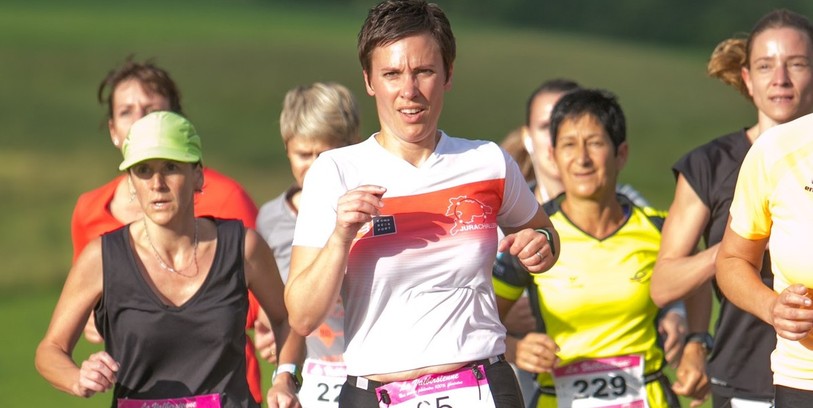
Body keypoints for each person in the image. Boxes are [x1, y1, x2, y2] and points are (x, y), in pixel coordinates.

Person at [284, 1, 560, 407]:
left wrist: (541, 244)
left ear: (448, 74)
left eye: (424, 72)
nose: (408, 91)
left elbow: (546, 236)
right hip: (374, 391)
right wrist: (341, 236)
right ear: (369, 80)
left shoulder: (487, 162)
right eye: (392, 74)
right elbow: (303, 317)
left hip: (483, 384)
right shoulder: (334, 171)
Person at [35, 111, 305, 408]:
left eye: (171, 167)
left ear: (198, 176)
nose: (157, 183)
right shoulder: (101, 257)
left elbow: (286, 320)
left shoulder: (242, 247)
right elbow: (51, 350)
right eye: (143, 171)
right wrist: (77, 378)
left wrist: (285, 376)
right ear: (131, 183)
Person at [70, 57, 269, 404]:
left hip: (229, 390)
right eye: (126, 111)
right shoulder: (90, 209)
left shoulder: (226, 198)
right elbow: (89, 310)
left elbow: (257, 300)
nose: (140, 120)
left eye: (150, 109)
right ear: (114, 129)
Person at [650, 9, 813, 407]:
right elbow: (663, 285)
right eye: (765, 66)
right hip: (745, 373)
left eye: (797, 64)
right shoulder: (711, 165)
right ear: (747, 80)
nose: (781, 79)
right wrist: (744, 245)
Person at [499, 78, 685, 406]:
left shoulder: (659, 228)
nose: (582, 159)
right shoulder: (537, 235)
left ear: (621, 153)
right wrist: (514, 348)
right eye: (569, 145)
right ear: (553, 156)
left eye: (595, 143)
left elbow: (695, 273)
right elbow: (476, 322)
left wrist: (695, 336)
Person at [256, 82, 361, 407]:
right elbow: (273, 313)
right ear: (286, 148)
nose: (316, 167)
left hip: (377, 377)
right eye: (304, 154)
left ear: (352, 145)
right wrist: (270, 332)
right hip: (313, 384)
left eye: (326, 154)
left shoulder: (370, 207)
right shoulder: (270, 220)